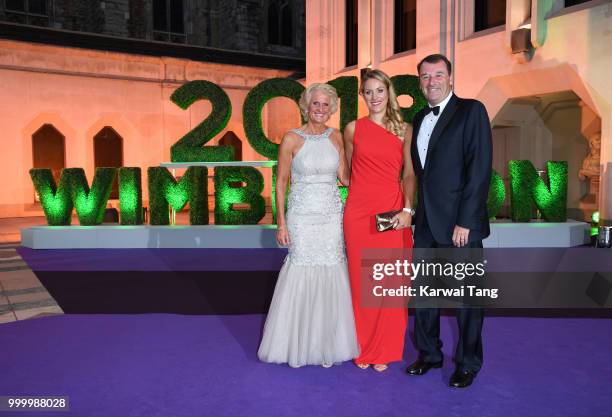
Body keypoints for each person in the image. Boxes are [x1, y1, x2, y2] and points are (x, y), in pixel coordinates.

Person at [257, 83, 359, 368]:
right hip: (301, 216)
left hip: (330, 216)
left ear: (332, 108)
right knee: (301, 268)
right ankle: (295, 343)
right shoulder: (291, 138)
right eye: (316, 103)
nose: (321, 109)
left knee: (332, 267)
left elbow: (345, 178)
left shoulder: (337, 137)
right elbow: (280, 182)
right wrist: (280, 222)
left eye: (327, 105)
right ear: (306, 105)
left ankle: (329, 342)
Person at [406, 54, 492, 388]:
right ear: (420, 82)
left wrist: (466, 221)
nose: (432, 82)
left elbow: (479, 168)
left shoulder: (472, 111)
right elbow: (422, 175)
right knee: (424, 295)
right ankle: (429, 354)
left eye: (438, 74)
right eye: (425, 77)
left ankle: (468, 363)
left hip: (460, 225)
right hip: (426, 223)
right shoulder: (418, 117)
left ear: (451, 77)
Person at [343, 69, 416, 372]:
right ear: (362, 96)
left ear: (389, 92)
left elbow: (410, 174)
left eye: (379, 91)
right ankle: (362, 346)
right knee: (362, 283)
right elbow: (346, 173)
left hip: (392, 212)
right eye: (368, 92)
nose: (374, 97)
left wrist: (408, 210)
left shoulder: (404, 129)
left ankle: (384, 347)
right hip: (358, 213)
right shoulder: (351, 129)